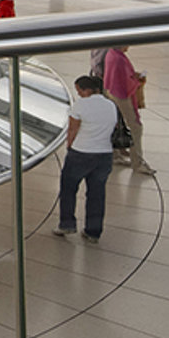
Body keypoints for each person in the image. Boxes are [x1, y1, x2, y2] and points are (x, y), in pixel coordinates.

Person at [53, 75, 118, 242]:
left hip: (81, 152)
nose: (79, 94)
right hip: (104, 154)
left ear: (86, 90)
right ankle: (93, 231)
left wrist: (69, 146)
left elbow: (72, 130)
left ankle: (67, 224)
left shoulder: (81, 105)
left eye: (79, 90)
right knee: (97, 194)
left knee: (68, 189)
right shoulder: (111, 105)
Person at [99, 45, 155, 175]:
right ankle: (138, 162)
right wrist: (137, 82)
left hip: (110, 90)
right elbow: (125, 82)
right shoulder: (119, 59)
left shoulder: (111, 54)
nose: (128, 47)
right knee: (136, 127)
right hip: (121, 94)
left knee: (115, 124)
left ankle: (115, 154)